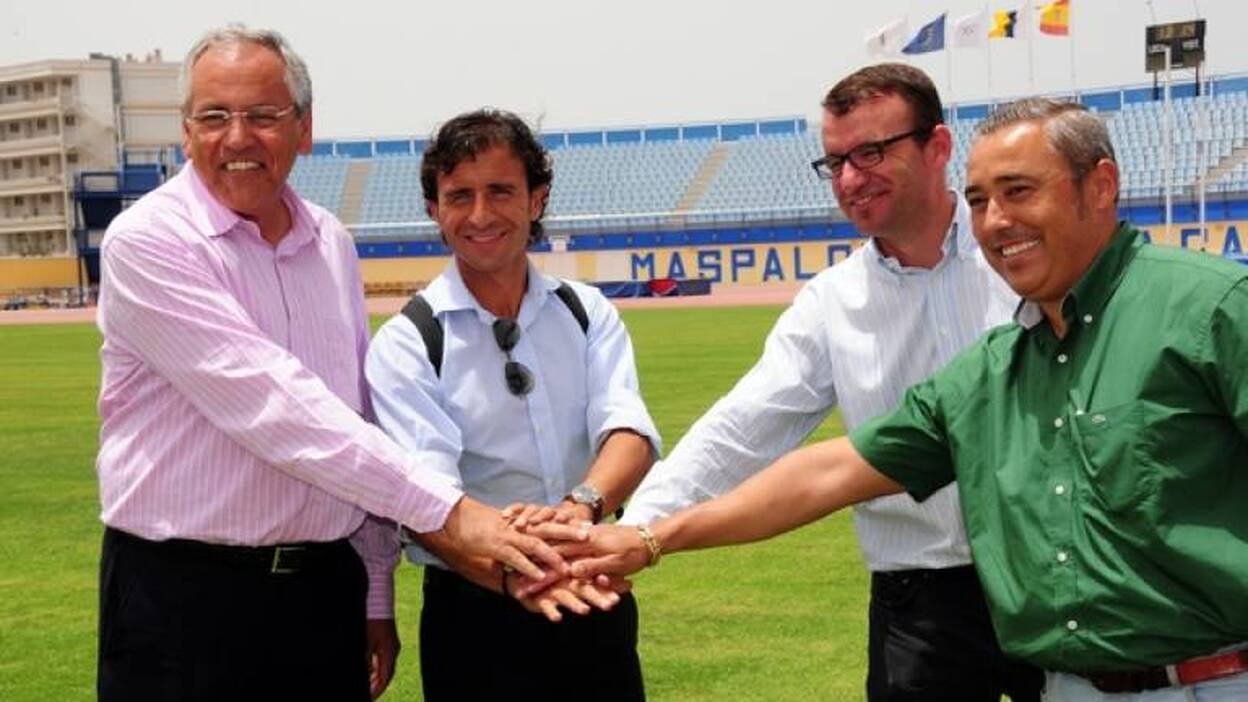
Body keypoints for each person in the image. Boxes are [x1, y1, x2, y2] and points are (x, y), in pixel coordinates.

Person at [557, 98, 1248, 701]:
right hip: (986, 635)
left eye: (1019, 191)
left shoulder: (1205, 307)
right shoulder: (989, 363)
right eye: (982, 200)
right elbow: (810, 462)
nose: (997, 221)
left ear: (1100, 187)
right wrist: (644, 534)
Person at [95, 26, 563, 702]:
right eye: (214, 117)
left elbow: (354, 414)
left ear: (304, 128)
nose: (237, 138)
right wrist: (452, 514)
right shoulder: (149, 240)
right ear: (186, 132)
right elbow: (275, 406)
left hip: (322, 594)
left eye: (263, 115)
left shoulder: (329, 242)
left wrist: (374, 591)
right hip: (184, 599)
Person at [613, 63, 1040, 700]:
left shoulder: (1022, 258)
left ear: (938, 147)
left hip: (1049, 575)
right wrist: (637, 526)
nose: (849, 179)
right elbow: (742, 428)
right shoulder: (832, 300)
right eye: (835, 161)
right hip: (919, 607)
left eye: (871, 152)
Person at [364, 109, 660, 701]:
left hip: (590, 588)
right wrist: (519, 567)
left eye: (500, 191)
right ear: (434, 210)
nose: (480, 215)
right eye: (459, 196)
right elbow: (429, 497)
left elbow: (628, 430)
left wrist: (580, 507)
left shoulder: (586, 312)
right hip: (475, 610)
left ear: (536, 199)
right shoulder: (407, 341)